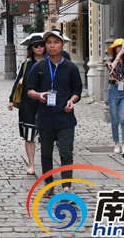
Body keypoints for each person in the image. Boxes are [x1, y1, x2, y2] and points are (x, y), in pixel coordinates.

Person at [26, 30, 82, 198]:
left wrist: (72, 100)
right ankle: (48, 185)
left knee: (66, 153)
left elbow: (77, 91)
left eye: (56, 42)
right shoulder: (39, 67)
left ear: (62, 45)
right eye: (49, 43)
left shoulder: (71, 67)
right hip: (45, 117)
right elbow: (29, 90)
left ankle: (66, 187)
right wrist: (38, 95)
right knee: (46, 153)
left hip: (65, 116)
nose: (52, 46)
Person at [8, 34, 46, 175]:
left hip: (46, 103)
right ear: (31, 48)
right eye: (36, 45)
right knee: (29, 135)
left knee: (46, 135)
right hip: (28, 103)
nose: (39, 47)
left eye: (42, 45)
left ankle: (46, 164)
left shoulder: (50, 62)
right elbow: (19, 81)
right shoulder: (26, 64)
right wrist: (11, 99)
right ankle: (31, 164)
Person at [106, 38, 124, 156]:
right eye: (118, 47)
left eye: (122, 47)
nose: (121, 49)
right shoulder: (109, 62)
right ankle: (116, 143)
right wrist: (119, 55)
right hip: (113, 90)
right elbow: (112, 68)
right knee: (115, 119)